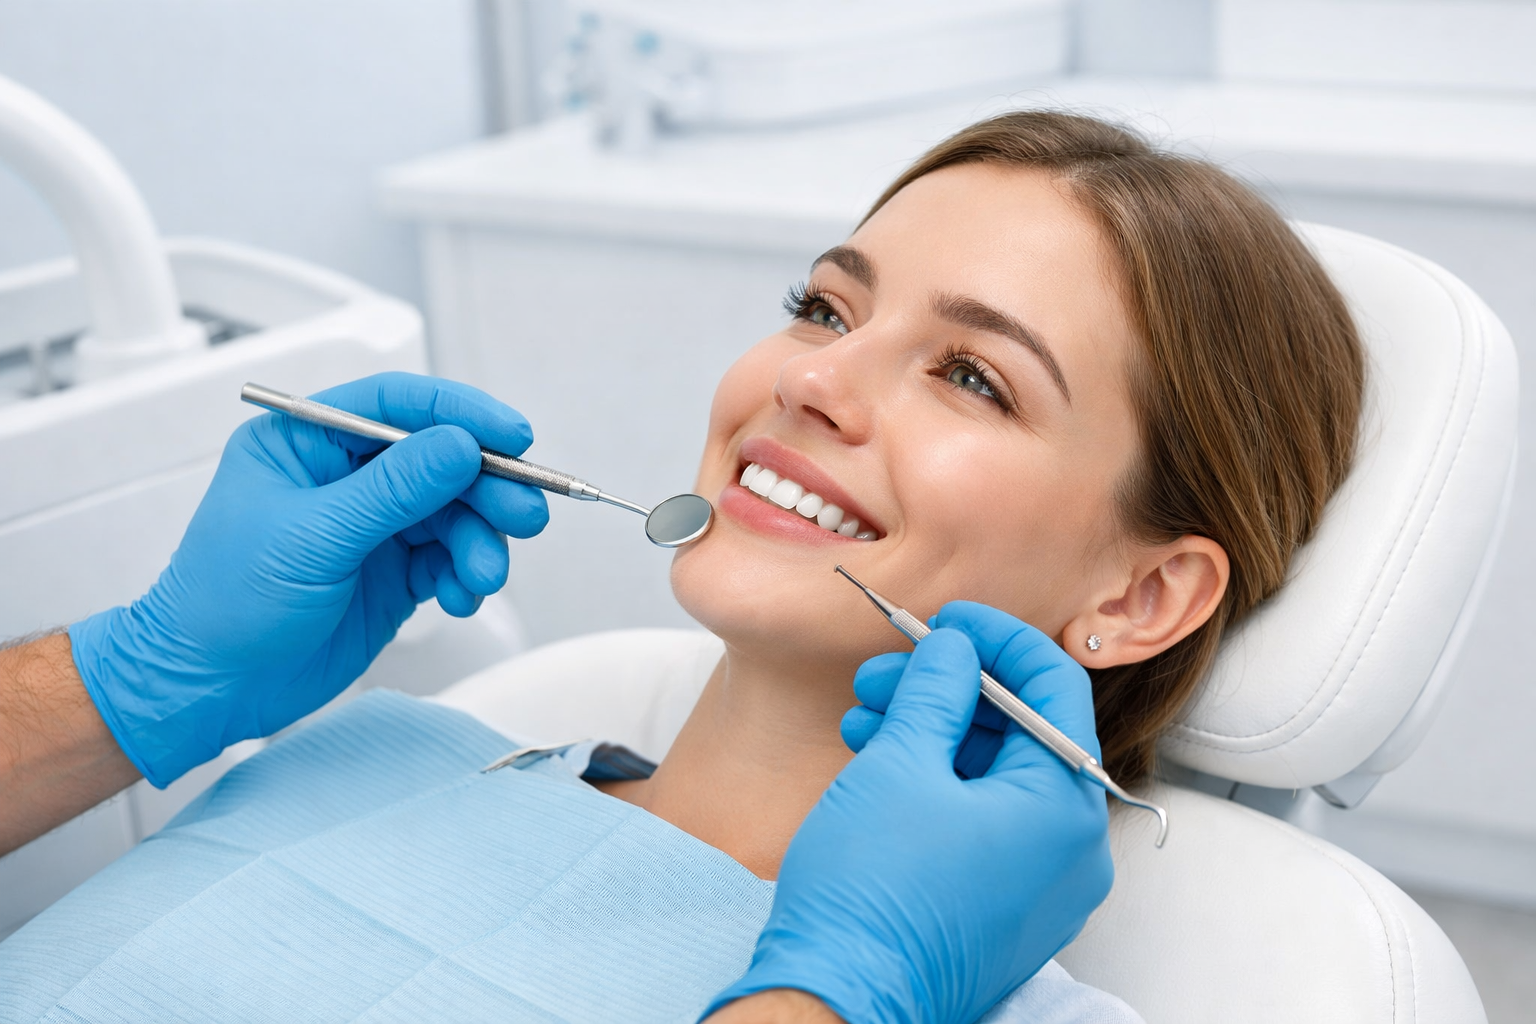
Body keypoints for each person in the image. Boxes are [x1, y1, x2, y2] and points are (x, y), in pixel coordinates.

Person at [0, 109, 1363, 1023]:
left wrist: (848, 999)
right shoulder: (365, 751)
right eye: (823, 307)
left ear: (1140, 596)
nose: (813, 378)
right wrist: (136, 676)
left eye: (971, 375)